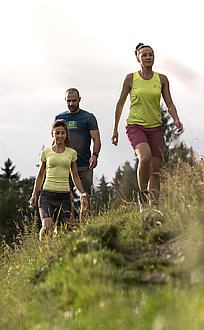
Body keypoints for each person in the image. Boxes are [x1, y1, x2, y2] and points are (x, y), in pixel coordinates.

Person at [111, 43, 183, 211]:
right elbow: (120, 103)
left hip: (156, 127)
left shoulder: (162, 79)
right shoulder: (130, 78)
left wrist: (176, 119)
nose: (148, 57)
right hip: (135, 126)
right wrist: (115, 129)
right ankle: (142, 197)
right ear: (138, 58)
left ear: (154, 57)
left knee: (155, 170)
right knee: (145, 157)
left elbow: (169, 103)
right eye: (144, 55)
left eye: (150, 54)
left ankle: (154, 208)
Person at [30, 119, 88, 241]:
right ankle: (43, 254)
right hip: (47, 196)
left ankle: (56, 257)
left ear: (66, 134)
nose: (59, 136)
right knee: (46, 227)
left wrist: (82, 194)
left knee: (61, 232)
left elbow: (75, 176)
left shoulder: (71, 153)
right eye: (57, 133)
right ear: (52, 134)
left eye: (62, 133)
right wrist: (34, 193)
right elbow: (40, 175)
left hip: (64, 197)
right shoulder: (46, 152)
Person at [55, 88, 101, 216]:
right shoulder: (60, 118)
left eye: (74, 101)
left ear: (79, 100)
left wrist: (95, 155)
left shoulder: (88, 118)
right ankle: (69, 228)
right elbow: (56, 141)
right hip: (65, 166)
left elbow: (96, 139)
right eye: (68, 101)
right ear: (65, 100)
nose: (71, 104)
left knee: (85, 199)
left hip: (84, 165)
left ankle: (85, 229)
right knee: (65, 201)